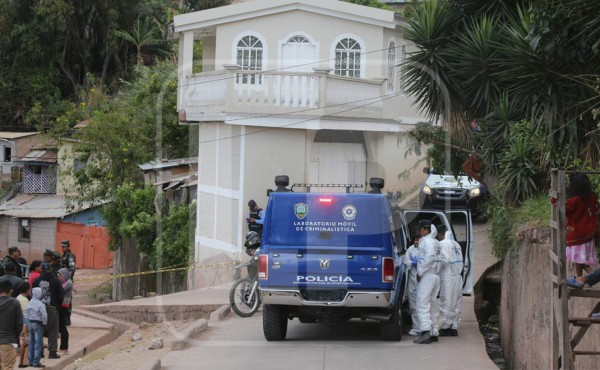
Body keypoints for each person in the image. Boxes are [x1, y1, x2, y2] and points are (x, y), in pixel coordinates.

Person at [558, 173, 599, 277]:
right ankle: (586, 276)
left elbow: (564, 210)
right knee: (579, 261)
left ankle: (583, 278)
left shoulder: (576, 200)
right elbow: (596, 210)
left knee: (577, 259)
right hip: (589, 234)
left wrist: (555, 200)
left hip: (577, 234)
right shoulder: (592, 196)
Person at [413, 219, 442, 344]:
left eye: (420, 228)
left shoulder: (427, 241)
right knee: (432, 304)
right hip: (435, 275)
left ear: (426, 229)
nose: (419, 231)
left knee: (422, 303)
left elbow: (429, 256)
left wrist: (420, 272)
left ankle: (425, 332)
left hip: (428, 275)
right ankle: (434, 332)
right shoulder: (436, 242)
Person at [436, 224, 464, 337]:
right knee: (456, 302)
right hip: (457, 276)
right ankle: (454, 326)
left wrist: (434, 268)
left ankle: (445, 327)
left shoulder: (443, 244)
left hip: (448, 276)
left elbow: (444, 260)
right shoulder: (456, 244)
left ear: (439, 234)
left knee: (446, 302)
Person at [33, 262, 63, 359]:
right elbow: (60, 296)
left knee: (39, 329)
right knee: (53, 330)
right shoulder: (56, 280)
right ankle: (52, 352)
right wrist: (57, 306)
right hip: (52, 308)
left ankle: (40, 351)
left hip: (38, 308)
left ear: (41, 269)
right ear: (51, 269)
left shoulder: (36, 280)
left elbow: (33, 294)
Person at [0, 280, 23, 370]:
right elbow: (19, 324)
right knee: (7, 367)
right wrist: (15, 336)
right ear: (10, 290)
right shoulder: (15, 303)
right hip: (8, 341)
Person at [403, 233, 422, 336]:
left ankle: (424, 327)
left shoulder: (425, 249)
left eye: (419, 239)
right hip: (412, 279)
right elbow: (406, 261)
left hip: (422, 280)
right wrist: (412, 263)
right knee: (413, 305)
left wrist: (419, 263)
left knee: (423, 304)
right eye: (416, 239)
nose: (417, 241)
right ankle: (416, 327)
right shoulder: (410, 249)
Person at [27, 287, 47, 368]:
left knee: (31, 342)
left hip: (30, 323)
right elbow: (44, 315)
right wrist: (44, 323)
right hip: (38, 323)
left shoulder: (30, 302)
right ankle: (36, 362)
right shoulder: (40, 304)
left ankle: (30, 361)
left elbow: (27, 313)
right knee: (38, 343)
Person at [57, 268, 72, 355]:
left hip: (63, 306)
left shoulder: (68, 283)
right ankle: (63, 347)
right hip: (62, 305)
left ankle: (64, 348)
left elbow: (60, 290)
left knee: (63, 327)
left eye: (60, 276)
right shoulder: (65, 282)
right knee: (61, 327)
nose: (59, 277)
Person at [17, 282, 30, 368]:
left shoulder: (18, 298)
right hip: (25, 325)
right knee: (25, 343)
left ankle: (21, 361)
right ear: (26, 290)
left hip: (19, 324)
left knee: (22, 342)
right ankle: (24, 361)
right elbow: (26, 314)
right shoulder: (25, 300)